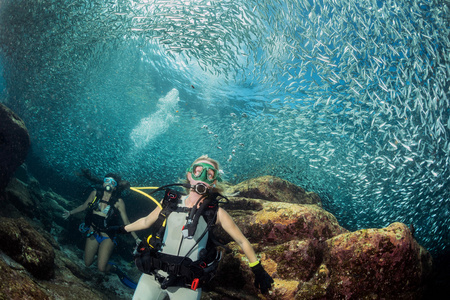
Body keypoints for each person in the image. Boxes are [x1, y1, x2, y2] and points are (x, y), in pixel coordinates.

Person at [107, 155, 273, 300]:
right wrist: (121, 229)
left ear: (213, 183)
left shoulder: (217, 212)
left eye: (209, 174)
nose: (202, 176)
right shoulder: (170, 203)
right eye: (198, 171)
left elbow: (242, 241)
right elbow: (145, 222)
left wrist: (257, 269)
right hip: (153, 274)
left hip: (188, 283)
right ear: (189, 175)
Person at [62, 173, 140, 274]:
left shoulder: (118, 202)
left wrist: (136, 239)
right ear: (103, 183)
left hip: (108, 236)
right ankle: (101, 258)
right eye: (107, 180)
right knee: (87, 263)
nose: (109, 184)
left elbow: (126, 222)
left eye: (112, 182)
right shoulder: (95, 194)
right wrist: (70, 212)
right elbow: (84, 206)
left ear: (115, 187)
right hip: (93, 232)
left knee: (101, 268)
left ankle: (114, 268)